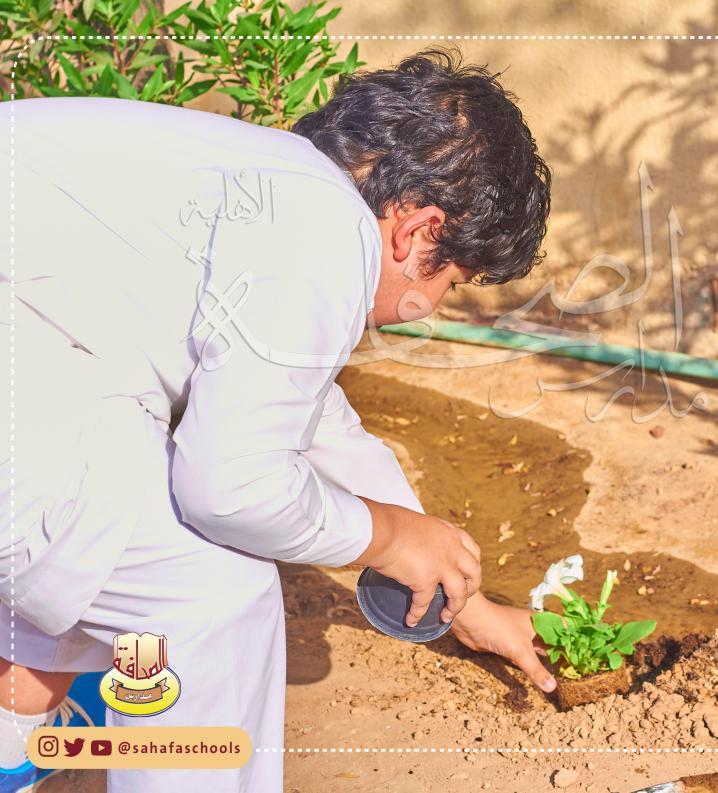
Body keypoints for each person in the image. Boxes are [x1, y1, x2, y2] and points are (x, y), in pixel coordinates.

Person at [0, 48, 554, 791]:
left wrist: (462, 598)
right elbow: (230, 489)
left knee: (118, 514)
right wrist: (389, 538)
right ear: (417, 231)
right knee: (210, 592)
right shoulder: (323, 229)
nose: (430, 307)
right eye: (451, 283)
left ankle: (17, 719)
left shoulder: (274, 184)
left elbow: (310, 418)